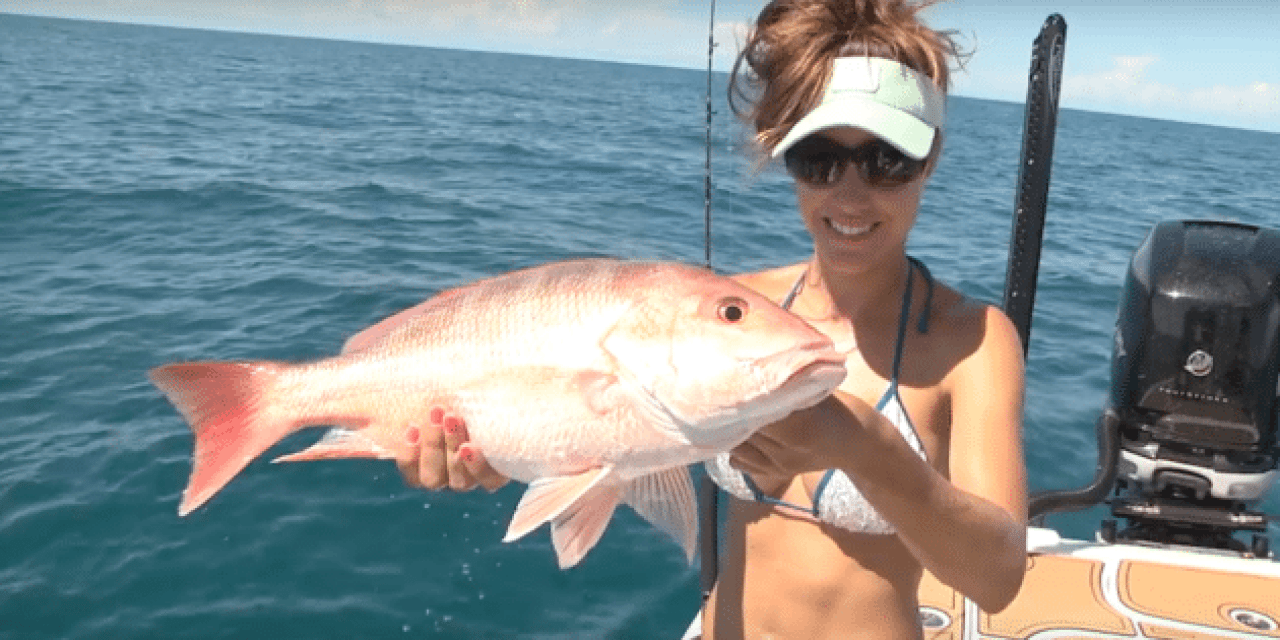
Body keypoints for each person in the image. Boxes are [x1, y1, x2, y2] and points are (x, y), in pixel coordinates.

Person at [399, 0, 1028, 636]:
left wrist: (868, 452)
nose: (850, 193)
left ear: (932, 158)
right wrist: (504, 450)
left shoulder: (971, 341)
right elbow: (612, 439)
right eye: (818, 158)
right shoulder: (733, 313)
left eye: (887, 160)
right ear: (784, 154)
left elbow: (998, 578)